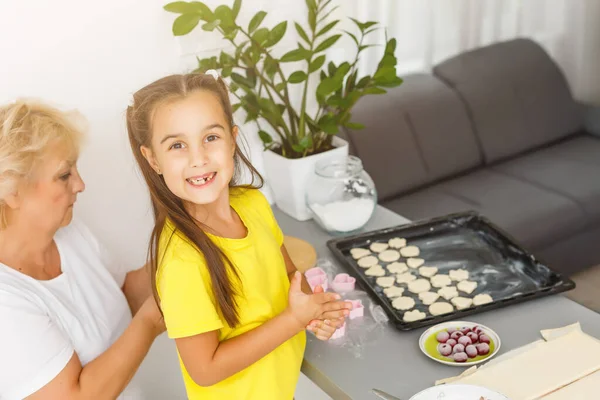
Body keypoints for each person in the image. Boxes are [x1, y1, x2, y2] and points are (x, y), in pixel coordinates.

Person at [126, 72, 352, 399]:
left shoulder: (253, 204)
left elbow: (289, 273)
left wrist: (313, 310)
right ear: (153, 160)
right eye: (177, 145)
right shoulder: (182, 261)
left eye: (211, 138)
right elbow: (205, 369)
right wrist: (293, 319)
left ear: (232, 140)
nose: (198, 158)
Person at [0, 100, 165, 399]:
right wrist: (152, 320)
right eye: (64, 175)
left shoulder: (70, 233)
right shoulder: (5, 299)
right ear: (11, 190)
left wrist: (184, 244)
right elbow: (76, 396)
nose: (80, 184)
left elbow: (123, 295)